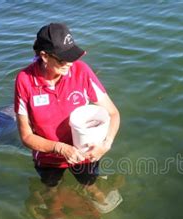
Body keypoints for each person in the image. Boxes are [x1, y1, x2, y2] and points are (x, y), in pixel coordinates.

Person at [14, 23, 120, 189]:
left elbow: (113, 113)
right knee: (51, 188)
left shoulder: (81, 71)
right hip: (48, 158)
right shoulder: (25, 80)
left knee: (89, 184)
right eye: (64, 59)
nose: (71, 63)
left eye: (73, 56)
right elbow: (26, 137)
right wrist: (60, 148)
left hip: (85, 154)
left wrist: (105, 145)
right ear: (44, 56)